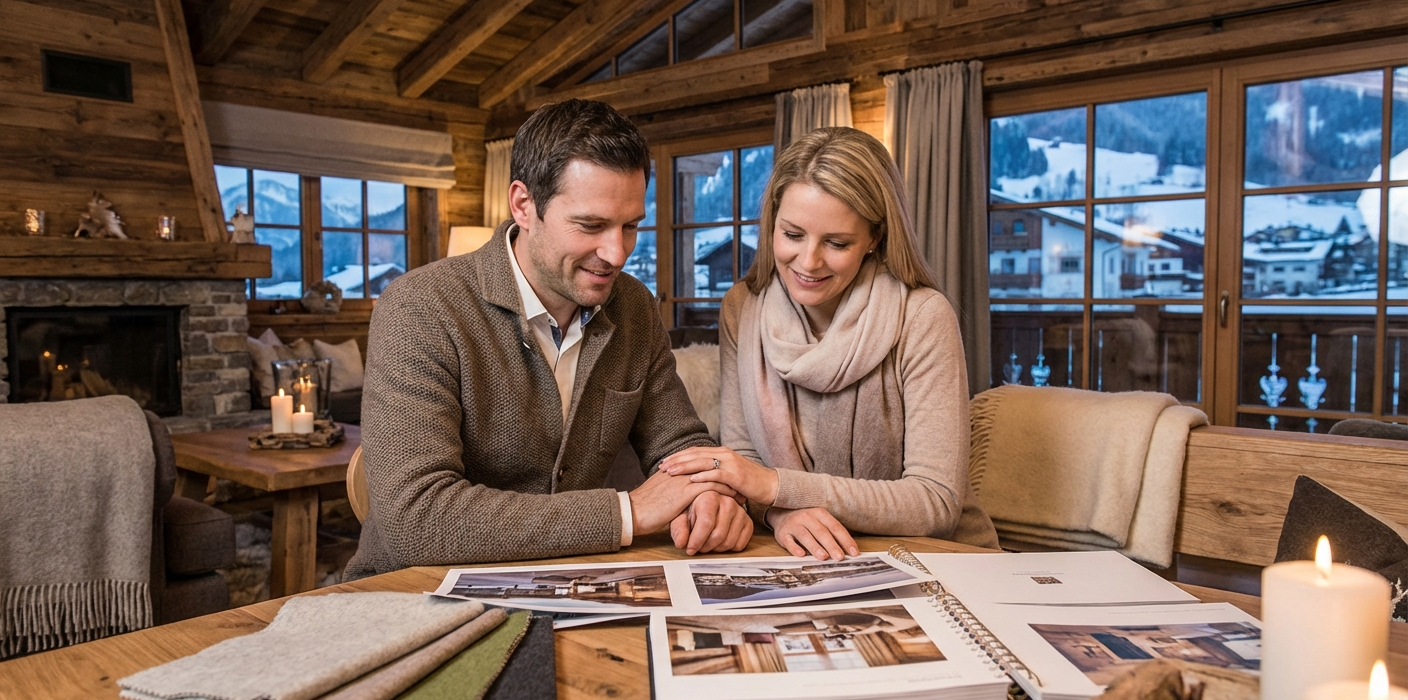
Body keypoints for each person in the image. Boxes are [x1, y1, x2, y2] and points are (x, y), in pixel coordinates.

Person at [346, 99, 751, 579]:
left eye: (630, 226)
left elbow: (681, 444)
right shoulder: (420, 308)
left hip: (568, 583)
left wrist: (708, 496)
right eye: (591, 225)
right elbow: (417, 520)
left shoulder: (633, 306)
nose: (616, 253)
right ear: (523, 205)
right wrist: (628, 513)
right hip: (415, 596)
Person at [660, 127, 999, 560]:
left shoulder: (923, 315)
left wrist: (777, 488)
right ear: (772, 224)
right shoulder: (741, 307)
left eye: (837, 243)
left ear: (875, 238)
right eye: (793, 235)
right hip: (810, 557)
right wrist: (781, 514)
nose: (808, 261)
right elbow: (744, 457)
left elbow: (935, 502)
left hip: (941, 561)